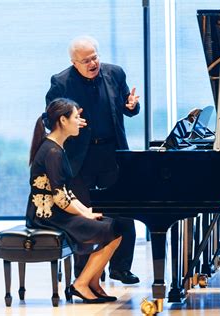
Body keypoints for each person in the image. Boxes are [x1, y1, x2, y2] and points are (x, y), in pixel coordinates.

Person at [45, 35, 141, 284]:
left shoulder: (115, 73)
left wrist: (131, 106)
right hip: (80, 158)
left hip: (112, 152)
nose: (92, 63)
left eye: (95, 57)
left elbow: (128, 107)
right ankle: (85, 274)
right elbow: (49, 120)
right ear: (74, 62)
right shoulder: (61, 82)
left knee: (123, 210)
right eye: (86, 60)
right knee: (83, 216)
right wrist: (67, 121)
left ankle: (121, 268)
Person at [26, 98, 122, 303]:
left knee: (112, 225)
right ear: (63, 120)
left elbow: (66, 192)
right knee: (114, 231)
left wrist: (87, 211)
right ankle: (81, 284)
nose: (80, 121)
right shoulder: (52, 151)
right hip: (48, 217)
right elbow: (60, 198)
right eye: (76, 117)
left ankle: (92, 283)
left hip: (56, 213)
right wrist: (85, 213)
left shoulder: (56, 147)